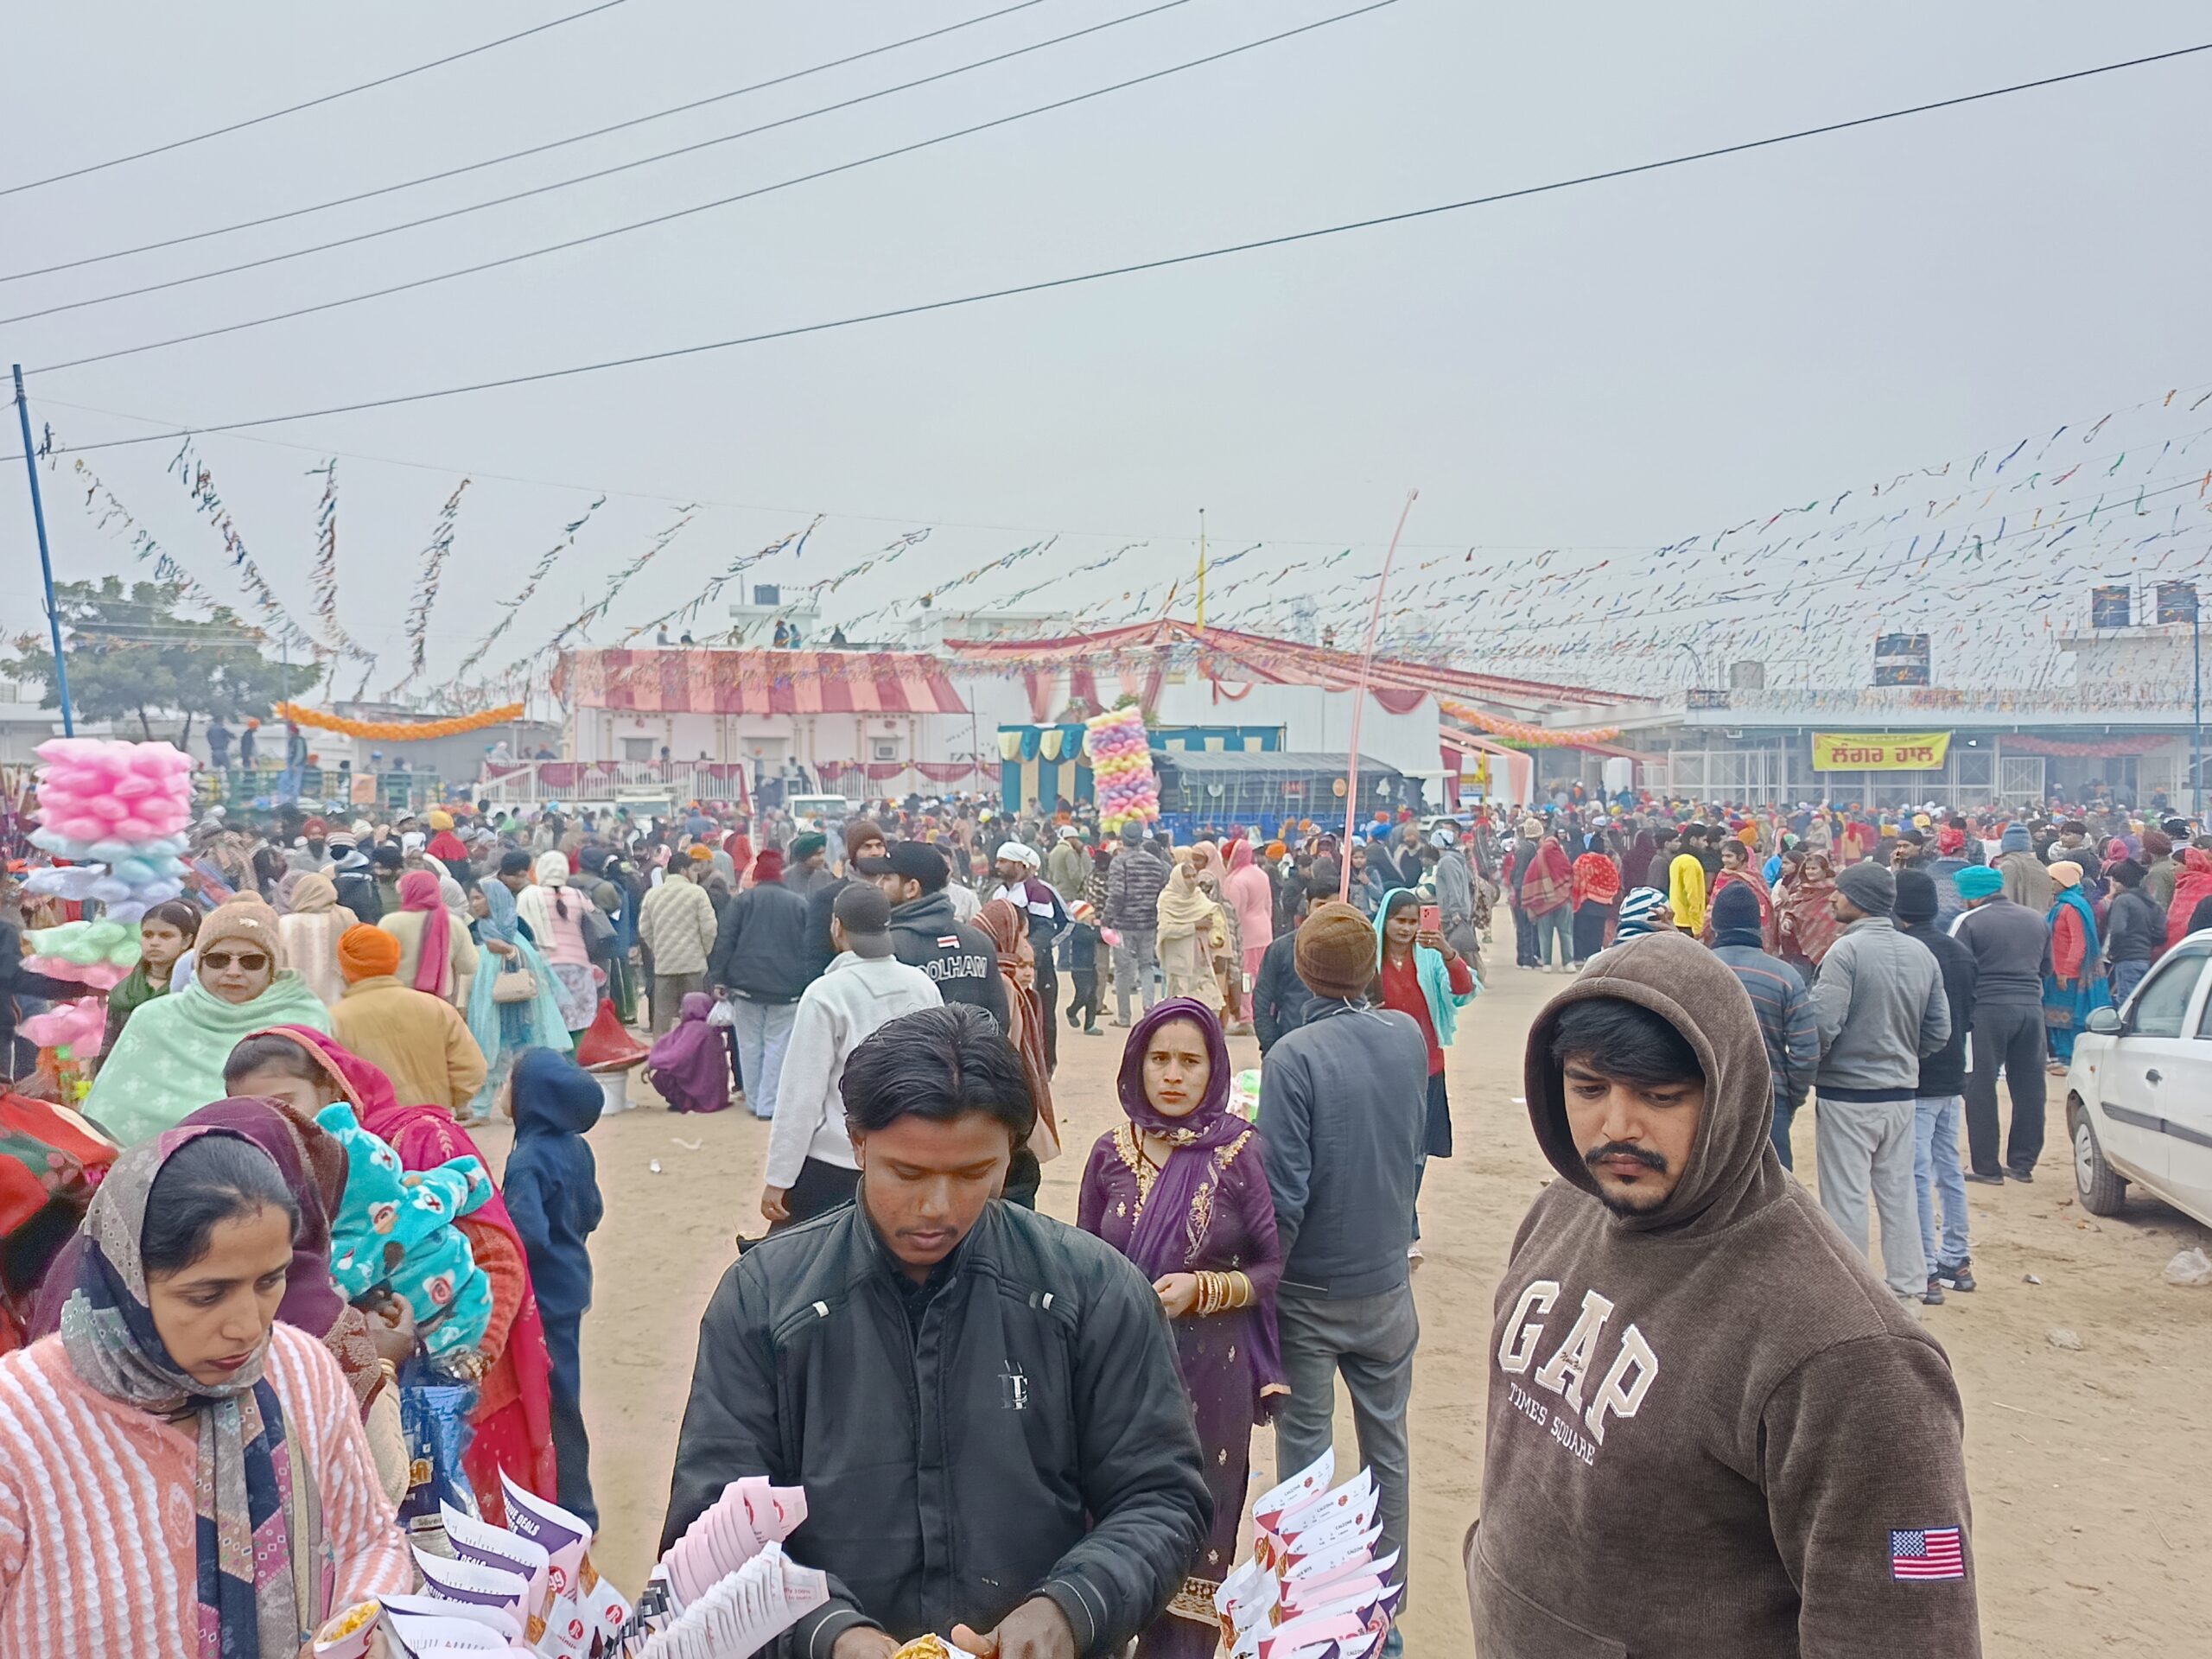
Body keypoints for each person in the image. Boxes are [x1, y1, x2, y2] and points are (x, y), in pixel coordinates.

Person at [1473, 935, 1979, 1656]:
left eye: (1661, 1096)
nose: (1617, 1127)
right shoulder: (1565, 1209)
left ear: (1729, 1094)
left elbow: (1908, 1630)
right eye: (1588, 1089)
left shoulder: (1855, 1356)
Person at [661, 1003, 1211, 1659]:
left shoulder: (1094, 1292)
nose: (936, 1208)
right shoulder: (764, 1300)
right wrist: (829, 1634)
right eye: (908, 1172)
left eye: (975, 1174)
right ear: (858, 1144)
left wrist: (1069, 1610)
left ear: (1011, 1154)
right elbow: (710, 1531)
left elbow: (1162, 1498)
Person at [0, 1128, 410, 1654]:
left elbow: (369, 1541)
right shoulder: (19, 1426)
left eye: (269, 1281)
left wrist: (349, 1632)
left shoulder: (299, 1372)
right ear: (126, 1276)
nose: (247, 1327)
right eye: (206, 1295)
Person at [221, 1027, 560, 1527]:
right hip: (367, 1394)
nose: (275, 1122)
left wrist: (464, 1364)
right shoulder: (268, 1174)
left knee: (474, 1536)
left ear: (332, 1089)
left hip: (462, 1382)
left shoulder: (413, 1139)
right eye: (253, 1111)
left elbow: (497, 1259)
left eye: (285, 1103)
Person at [1077, 1000, 1285, 1658]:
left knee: (1199, 1525)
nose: (1173, 1075)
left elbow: (1272, 1266)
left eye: (1190, 1061)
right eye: (1159, 1059)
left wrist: (1205, 1290)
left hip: (1211, 1373)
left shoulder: (1240, 1153)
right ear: (1136, 1066)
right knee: (1107, 1518)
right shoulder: (1109, 1154)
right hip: (1119, 1375)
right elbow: (1083, 1262)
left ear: (1213, 1068)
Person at [1257, 902, 1426, 1622]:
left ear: (1302, 971)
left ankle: (1309, 1610)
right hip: (1386, 1278)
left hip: (1310, 1290)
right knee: (1388, 1450)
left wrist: (1263, 1282)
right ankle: (1385, 1612)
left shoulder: (1292, 1058)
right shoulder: (1406, 1035)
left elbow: (1285, 1194)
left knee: (1305, 1456)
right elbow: (1411, 1145)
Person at [1808, 861, 1950, 1302]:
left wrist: (1816, 1062)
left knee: (1846, 1198)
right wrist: (1902, 1056)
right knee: (1899, 1194)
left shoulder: (1846, 952)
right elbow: (1939, 1031)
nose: (1833, 897)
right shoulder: (1921, 954)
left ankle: (1854, 1296)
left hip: (1847, 1096)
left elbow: (1822, 1024)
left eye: (1840, 891)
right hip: (1901, 1096)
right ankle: (1908, 1292)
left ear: (1860, 899)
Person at [762, 885, 942, 1233]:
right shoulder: (922, 986)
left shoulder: (826, 994)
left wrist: (779, 1177)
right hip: (906, 1157)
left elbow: (801, 1096)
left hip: (834, 1163)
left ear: (837, 926)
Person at [86, 899, 333, 1147]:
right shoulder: (154, 1017)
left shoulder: (303, 1021)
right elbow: (108, 1116)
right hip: (156, 1166)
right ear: (199, 965)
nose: (233, 971)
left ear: (273, 969)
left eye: (251, 961)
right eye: (218, 960)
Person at [501, 1047, 605, 1528]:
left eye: (510, 1082)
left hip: (542, 1297)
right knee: (562, 1389)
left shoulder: (526, 1160)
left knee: (555, 1399)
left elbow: (527, 1233)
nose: (503, 1090)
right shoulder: (575, 1147)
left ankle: (575, 1508)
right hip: (572, 1282)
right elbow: (592, 1212)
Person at [1371, 887, 1477, 1252]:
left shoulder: (1431, 958)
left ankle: (1405, 1230)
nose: (1406, 928)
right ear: (1385, 921)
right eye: (1399, 920)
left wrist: (1447, 952)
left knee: (1416, 1156)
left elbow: (1463, 990)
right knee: (1386, 1152)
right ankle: (1392, 1228)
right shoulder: (1369, 958)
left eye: (1413, 921)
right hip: (1380, 1071)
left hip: (1426, 1069)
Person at [1894, 870, 1978, 1305]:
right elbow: (1969, 1015)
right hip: (1953, 1074)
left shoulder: (1907, 952)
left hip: (1919, 1077)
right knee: (1949, 1169)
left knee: (1917, 1173)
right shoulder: (1958, 951)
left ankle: (1925, 1267)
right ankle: (1956, 1259)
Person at [1950, 865, 2052, 1184]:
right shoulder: (2036, 919)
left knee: (1979, 1084)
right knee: (2030, 1086)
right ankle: (2022, 1164)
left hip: (1986, 1011)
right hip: (2031, 1010)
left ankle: (1986, 1167)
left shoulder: (1969, 921)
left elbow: (1955, 968)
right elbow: (2046, 968)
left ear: (1971, 894)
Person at [1707, 880, 1816, 1171]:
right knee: (1774, 1190)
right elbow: (1806, 1051)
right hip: (1770, 1101)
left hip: (1707, 1102)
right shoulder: (1784, 976)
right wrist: (1791, 1097)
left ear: (1716, 925)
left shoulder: (1695, 970)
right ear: (1758, 926)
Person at [329, 925, 489, 1117]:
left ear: (345, 967)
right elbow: (472, 1069)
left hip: (372, 1128)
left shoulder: (333, 1021)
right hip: (432, 1123)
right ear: (393, 959)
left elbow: (328, 1085)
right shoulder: (436, 1007)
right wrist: (447, 1101)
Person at [709, 845, 812, 1124]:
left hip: (745, 985)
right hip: (787, 987)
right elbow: (808, 946)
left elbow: (725, 940)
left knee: (749, 1045)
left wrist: (719, 977)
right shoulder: (799, 904)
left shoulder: (741, 902)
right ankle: (770, 1103)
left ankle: (755, 1100)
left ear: (757, 874)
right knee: (778, 1045)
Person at [861, 841, 1009, 1028]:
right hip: (976, 1047)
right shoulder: (979, 941)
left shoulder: (888, 947)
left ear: (912, 888)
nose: (879, 884)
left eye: (887, 878)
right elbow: (1000, 1021)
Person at [463, 876, 573, 1122]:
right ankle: (481, 1110)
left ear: (495, 899)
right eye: (472, 899)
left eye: (479, 898)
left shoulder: (516, 928)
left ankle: (526, 1106)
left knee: (524, 1055)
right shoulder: (478, 929)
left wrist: (510, 951)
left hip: (522, 1003)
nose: (474, 904)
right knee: (489, 1050)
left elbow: (534, 963)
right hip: (490, 1004)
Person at [517, 851, 601, 1034]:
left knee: (551, 1018)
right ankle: (577, 1050)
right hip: (578, 963)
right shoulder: (578, 895)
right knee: (581, 1018)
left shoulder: (531, 897)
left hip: (545, 965)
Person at [102, 899, 200, 1053]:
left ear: (186, 941)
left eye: (165, 936)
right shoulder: (125, 990)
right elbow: (109, 1046)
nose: (154, 942)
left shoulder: (196, 990)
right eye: (148, 935)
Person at [637, 858, 719, 1033]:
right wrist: (704, 951)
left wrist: (657, 948)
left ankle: (661, 1048)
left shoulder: (652, 894)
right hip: (693, 964)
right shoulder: (697, 893)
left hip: (664, 965)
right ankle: (693, 1048)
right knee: (695, 1016)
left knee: (662, 1017)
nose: (696, 874)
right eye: (694, 870)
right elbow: (709, 928)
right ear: (683, 870)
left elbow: (644, 929)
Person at [378, 868, 478, 1007]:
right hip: (440, 1001)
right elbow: (468, 966)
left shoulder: (390, 923)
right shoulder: (454, 923)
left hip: (399, 999)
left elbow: (378, 963)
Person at [2042, 862, 2107, 1067]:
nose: (2050, 884)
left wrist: (2067, 971)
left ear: (2065, 881)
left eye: (2054, 879)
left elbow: (2079, 942)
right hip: (2055, 970)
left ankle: (2070, 1059)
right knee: (2055, 1017)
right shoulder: (2061, 905)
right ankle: (2062, 1057)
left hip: (2067, 974)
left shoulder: (2072, 908)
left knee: (2068, 1018)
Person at [804, 817, 888, 977]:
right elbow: (816, 954)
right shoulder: (828, 897)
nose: (875, 852)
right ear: (853, 853)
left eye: (879, 845)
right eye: (866, 847)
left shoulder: (894, 892)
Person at [1253, 876, 1328, 1054]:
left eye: (1335, 906)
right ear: (1308, 906)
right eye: (1321, 905)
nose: (1327, 912)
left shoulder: (1353, 952)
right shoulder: (1282, 949)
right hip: (1290, 1046)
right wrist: (1273, 1047)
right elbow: (1262, 1002)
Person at [1105, 821, 1170, 1025]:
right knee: (1146, 965)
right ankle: (1148, 1007)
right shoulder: (1156, 863)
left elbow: (1117, 894)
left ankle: (1124, 1017)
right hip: (1149, 923)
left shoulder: (1119, 862)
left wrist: (1107, 917)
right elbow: (1161, 893)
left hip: (1123, 924)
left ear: (1123, 838)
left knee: (1122, 970)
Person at [274, 871, 359, 1006]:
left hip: (296, 1001)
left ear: (298, 894)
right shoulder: (345, 917)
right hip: (339, 999)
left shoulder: (284, 923)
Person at [1156, 852, 1229, 1011]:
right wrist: (1193, 926)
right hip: (1179, 963)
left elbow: (1212, 915)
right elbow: (1165, 930)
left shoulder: (1198, 896)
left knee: (1210, 1005)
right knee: (1181, 1007)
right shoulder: (1168, 899)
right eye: (1187, 877)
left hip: (1200, 959)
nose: (1192, 880)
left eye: (1194, 876)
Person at [645, 992, 734, 1115]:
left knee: (665, 1072)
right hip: (715, 1094)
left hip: (701, 1095)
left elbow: (677, 1057)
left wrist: (653, 1063)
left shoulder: (695, 1028)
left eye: (684, 1007)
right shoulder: (710, 1027)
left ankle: (685, 1100)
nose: (681, 1011)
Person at [2102, 858, 2163, 1004]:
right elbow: (2161, 932)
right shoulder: (2150, 901)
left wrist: (2113, 952)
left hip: (2127, 958)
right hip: (2145, 958)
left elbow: (2117, 930)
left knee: (2126, 1002)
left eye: (2115, 880)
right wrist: (2145, 945)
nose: (2113, 884)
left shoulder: (2122, 901)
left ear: (2123, 881)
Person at [1224, 838, 1276, 995]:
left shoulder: (1235, 880)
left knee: (1246, 978)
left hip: (1246, 937)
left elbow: (1234, 914)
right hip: (1264, 931)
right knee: (1263, 976)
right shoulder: (1261, 874)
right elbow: (1268, 905)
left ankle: (1247, 1007)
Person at [1517, 833, 1574, 970]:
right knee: (1566, 933)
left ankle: (1547, 963)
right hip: (1563, 900)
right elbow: (1570, 872)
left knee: (1545, 935)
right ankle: (1568, 963)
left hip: (1544, 903)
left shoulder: (1538, 857)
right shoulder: (1561, 856)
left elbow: (1529, 878)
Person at [1777, 849, 1842, 969]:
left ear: (1825, 870)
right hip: (1801, 950)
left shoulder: (1834, 892)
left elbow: (1836, 920)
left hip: (1828, 949)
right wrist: (1787, 922)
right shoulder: (1801, 891)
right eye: (1808, 869)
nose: (1810, 872)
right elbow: (1793, 912)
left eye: (1814, 868)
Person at [1569, 838, 1621, 965]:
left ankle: (1578, 957)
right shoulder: (1608, 863)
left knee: (1580, 931)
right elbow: (1615, 882)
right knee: (1597, 933)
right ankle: (1593, 958)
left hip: (1584, 902)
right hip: (1602, 905)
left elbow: (1575, 877)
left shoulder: (1584, 860)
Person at [1996, 822, 2055, 913]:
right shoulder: (2040, 866)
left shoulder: (2008, 866)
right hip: (2040, 918)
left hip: (2016, 918)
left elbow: (2005, 899)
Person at [1668, 830, 1709, 937]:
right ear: (1693, 840)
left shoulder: (1677, 860)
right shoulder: (1690, 863)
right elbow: (1692, 895)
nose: (1706, 845)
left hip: (1677, 920)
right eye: (1704, 840)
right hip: (1688, 924)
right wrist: (1697, 927)